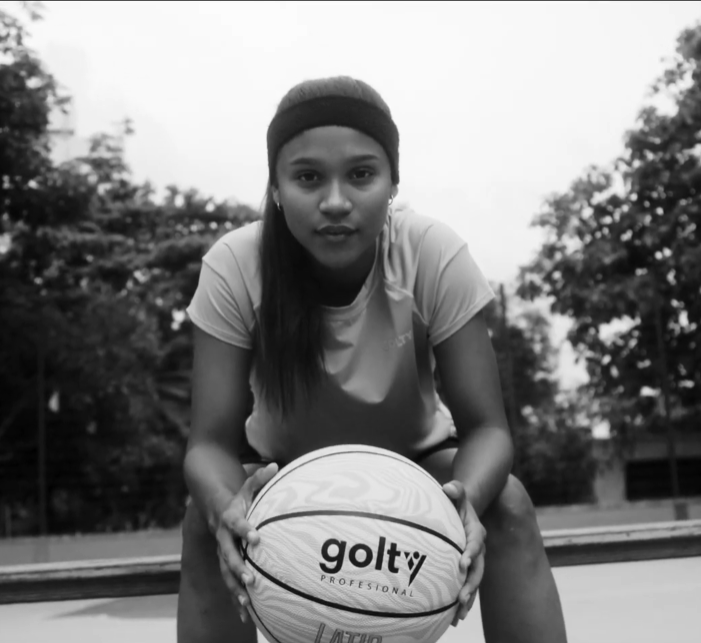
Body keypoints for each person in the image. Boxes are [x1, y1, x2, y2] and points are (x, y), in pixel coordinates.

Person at [178, 75, 568, 643]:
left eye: (361, 174)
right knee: (205, 519)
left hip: (416, 465)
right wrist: (224, 507)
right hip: (284, 475)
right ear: (277, 187)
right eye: (308, 177)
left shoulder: (431, 253)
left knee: (506, 503)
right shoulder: (236, 266)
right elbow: (208, 445)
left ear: (392, 183)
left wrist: (467, 500)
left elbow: (488, 429)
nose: (336, 201)